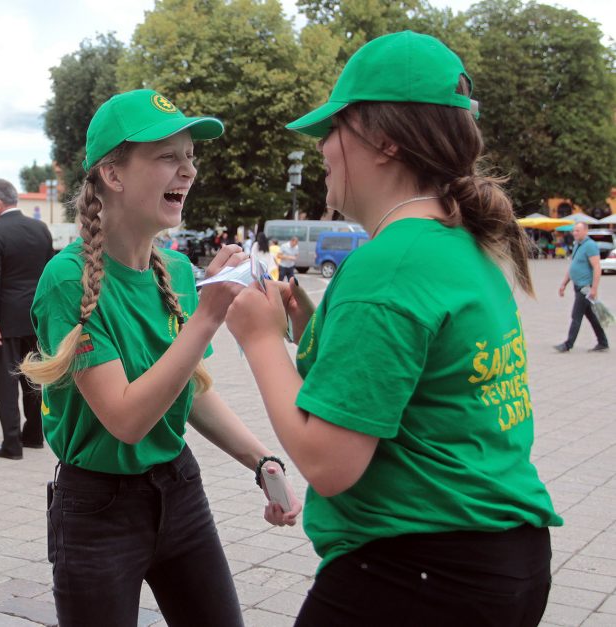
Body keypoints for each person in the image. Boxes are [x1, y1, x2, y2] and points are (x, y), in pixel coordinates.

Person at [225, 31, 561, 626]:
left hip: (418, 572)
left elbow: (329, 465)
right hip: (501, 560)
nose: (324, 147)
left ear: (383, 140)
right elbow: (410, 379)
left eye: (332, 129)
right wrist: (306, 323)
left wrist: (256, 339)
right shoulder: (460, 242)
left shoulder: (389, 265)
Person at [21, 89, 300, 626]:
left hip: (180, 491)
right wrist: (208, 316)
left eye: (191, 156)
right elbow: (125, 418)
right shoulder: (67, 282)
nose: (189, 170)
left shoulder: (172, 272)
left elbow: (189, 388)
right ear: (113, 175)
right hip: (97, 511)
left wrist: (262, 460)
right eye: (168, 156)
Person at [0, 178, 53, 460]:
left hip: (6, 320)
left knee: (5, 381)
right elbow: (49, 272)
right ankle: (34, 434)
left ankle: (11, 444)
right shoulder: (40, 229)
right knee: (34, 376)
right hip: (36, 316)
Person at [555, 221, 608, 352]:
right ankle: (603, 342)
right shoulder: (578, 245)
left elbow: (597, 267)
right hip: (577, 286)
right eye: (574, 231)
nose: (574, 233)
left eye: (577, 230)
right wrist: (564, 284)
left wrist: (594, 289)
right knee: (591, 316)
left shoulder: (590, 246)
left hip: (585, 287)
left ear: (585, 231)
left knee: (576, 315)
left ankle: (568, 344)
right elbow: (573, 266)